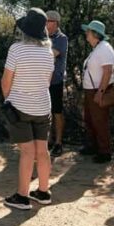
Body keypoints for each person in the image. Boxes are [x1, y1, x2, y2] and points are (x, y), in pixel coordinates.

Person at [2, 8, 55, 210]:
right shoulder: (48, 52)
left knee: (27, 152)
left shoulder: (16, 49)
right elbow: (47, 82)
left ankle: (22, 196)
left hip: (20, 107)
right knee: (42, 151)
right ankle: (43, 191)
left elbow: (6, 80)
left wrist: (8, 100)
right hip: (43, 107)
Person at [79, 20, 114, 164]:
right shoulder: (98, 48)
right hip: (92, 90)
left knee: (100, 121)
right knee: (91, 120)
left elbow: (107, 71)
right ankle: (93, 146)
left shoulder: (104, 48)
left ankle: (104, 152)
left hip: (98, 90)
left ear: (95, 34)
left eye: (88, 31)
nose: (86, 34)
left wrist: (100, 92)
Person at [46, 10, 68, 157]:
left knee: (57, 112)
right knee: (44, 112)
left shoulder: (62, 38)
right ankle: (48, 140)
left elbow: (51, 54)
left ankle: (59, 142)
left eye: (49, 21)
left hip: (56, 81)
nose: (46, 24)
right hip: (43, 82)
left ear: (56, 23)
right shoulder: (42, 37)